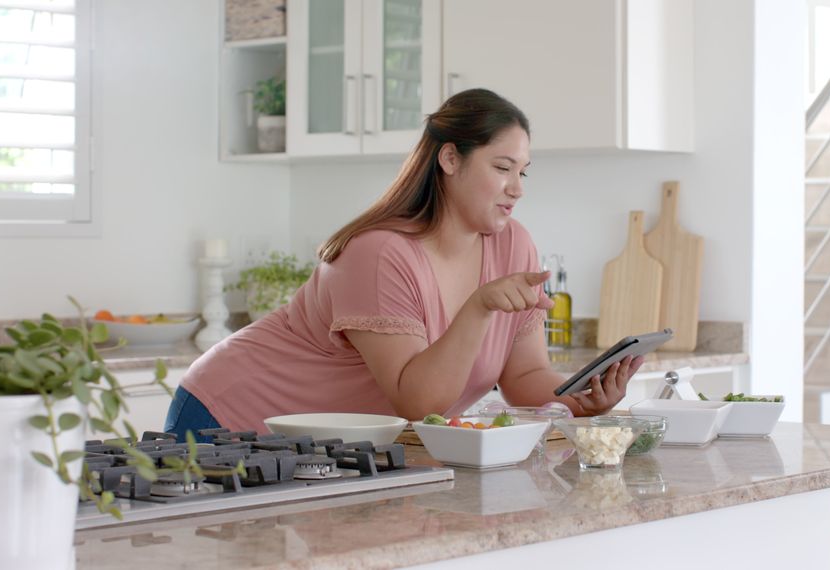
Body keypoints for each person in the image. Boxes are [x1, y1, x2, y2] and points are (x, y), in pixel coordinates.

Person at [165, 88, 645, 438]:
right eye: (502, 168)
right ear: (450, 159)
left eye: (523, 172)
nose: (518, 187)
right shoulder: (378, 253)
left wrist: (581, 396)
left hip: (325, 443)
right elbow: (417, 401)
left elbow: (522, 380)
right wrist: (478, 308)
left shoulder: (513, 245)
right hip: (231, 413)